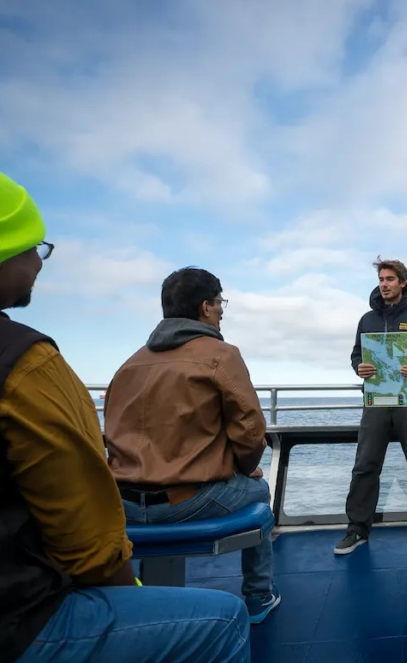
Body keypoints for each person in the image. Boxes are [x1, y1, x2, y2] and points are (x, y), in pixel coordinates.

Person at [0, 143, 250, 663]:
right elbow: (89, 544)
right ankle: (262, 593)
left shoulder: (129, 364)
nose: (39, 263)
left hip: (130, 501)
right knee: (248, 519)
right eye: (35, 247)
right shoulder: (24, 361)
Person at [104, 266, 279, 623]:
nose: (221, 311)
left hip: (121, 504)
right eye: (219, 304)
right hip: (185, 503)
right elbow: (250, 430)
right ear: (205, 307)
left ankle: (133, 602)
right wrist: (246, 468)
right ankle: (259, 596)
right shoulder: (221, 354)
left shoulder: (129, 364)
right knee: (259, 490)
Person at [335, 258, 407, 554]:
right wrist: (359, 367)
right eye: (381, 279)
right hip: (376, 402)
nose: (384, 284)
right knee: (365, 465)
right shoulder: (366, 319)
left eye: (390, 279)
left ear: (402, 284)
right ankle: (357, 529)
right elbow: (356, 355)